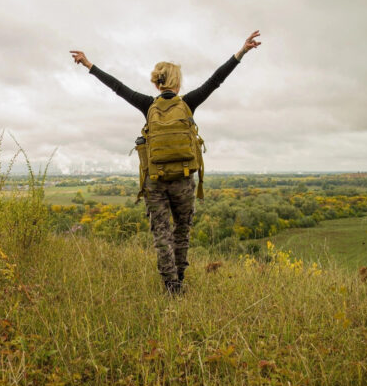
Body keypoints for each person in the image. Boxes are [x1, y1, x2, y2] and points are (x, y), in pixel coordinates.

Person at [69, 30, 261, 295]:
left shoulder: (147, 105)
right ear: (177, 83)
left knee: (162, 234)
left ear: (157, 84)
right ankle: (180, 280)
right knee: (182, 231)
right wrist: (241, 53)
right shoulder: (188, 103)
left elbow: (118, 87)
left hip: (155, 181)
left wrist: (90, 65)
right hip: (183, 179)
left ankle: (171, 287)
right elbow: (216, 80)